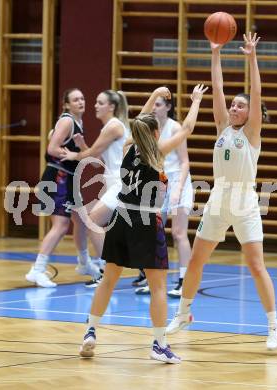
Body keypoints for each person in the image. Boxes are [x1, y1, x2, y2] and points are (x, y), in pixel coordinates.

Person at [166, 32, 277, 351]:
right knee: (195, 262)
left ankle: (274, 325)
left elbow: (257, 92)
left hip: (245, 202)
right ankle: (183, 312)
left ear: (249, 113)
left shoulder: (253, 132)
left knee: (256, 265)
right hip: (218, 200)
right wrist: (215, 53)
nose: (234, 107)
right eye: (233, 104)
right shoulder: (221, 128)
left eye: (240, 105)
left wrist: (252, 58)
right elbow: (216, 88)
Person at [79, 84, 207, 363]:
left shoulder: (127, 147)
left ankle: (90, 331)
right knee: (159, 287)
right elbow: (186, 128)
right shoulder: (157, 152)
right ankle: (159, 344)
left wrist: (155, 95)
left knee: (109, 279)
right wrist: (196, 101)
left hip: (120, 218)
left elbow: (139, 120)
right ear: (156, 133)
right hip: (145, 221)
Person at [26, 88, 101, 288]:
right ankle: (37, 270)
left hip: (68, 179)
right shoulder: (67, 121)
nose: (80, 102)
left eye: (83, 98)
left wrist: (79, 149)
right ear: (66, 104)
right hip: (58, 176)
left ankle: (84, 263)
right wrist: (71, 155)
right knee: (60, 227)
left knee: (81, 222)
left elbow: (90, 160)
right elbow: (51, 149)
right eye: (75, 99)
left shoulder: (77, 123)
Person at [62, 90, 130, 288]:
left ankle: (104, 271)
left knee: (92, 221)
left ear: (111, 107)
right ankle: (142, 271)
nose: (95, 105)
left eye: (100, 102)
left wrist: (73, 155)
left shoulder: (114, 126)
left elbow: (92, 154)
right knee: (125, 232)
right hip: (116, 183)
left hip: (122, 183)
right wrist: (82, 144)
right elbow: (95, 162)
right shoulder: (110, 127)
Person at [135, 92, 194, 297]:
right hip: (158, 183)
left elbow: (185, 161)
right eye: (153, 104)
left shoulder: (175, 127)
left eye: (158, 104)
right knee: (152, 232)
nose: (154, 108)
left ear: (168, 107)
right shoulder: (148, 130)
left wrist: (178, 189)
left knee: (179, 233)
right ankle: (153, 280)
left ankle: (184, 280)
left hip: (179, 180)